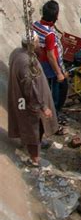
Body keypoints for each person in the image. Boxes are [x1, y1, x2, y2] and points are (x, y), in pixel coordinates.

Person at [8, 33, 58, 168]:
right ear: (32, 44)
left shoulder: (17, 53)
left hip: (25, 100)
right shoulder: (26, 62)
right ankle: (34, 159)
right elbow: (29, 87)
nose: (38, 44)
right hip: (31, 103)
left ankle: (34, 144)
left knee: (32, 128)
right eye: (36, 42)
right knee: (34, 128)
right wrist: (42, 106)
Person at [33, 0, 68, 118]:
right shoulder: (49, 34)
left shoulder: (35, 25)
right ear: (56, 16)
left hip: (40, 64)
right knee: (56, 94)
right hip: (50, 68)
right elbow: (51, 55)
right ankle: (54, 115)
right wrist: (59, 73)